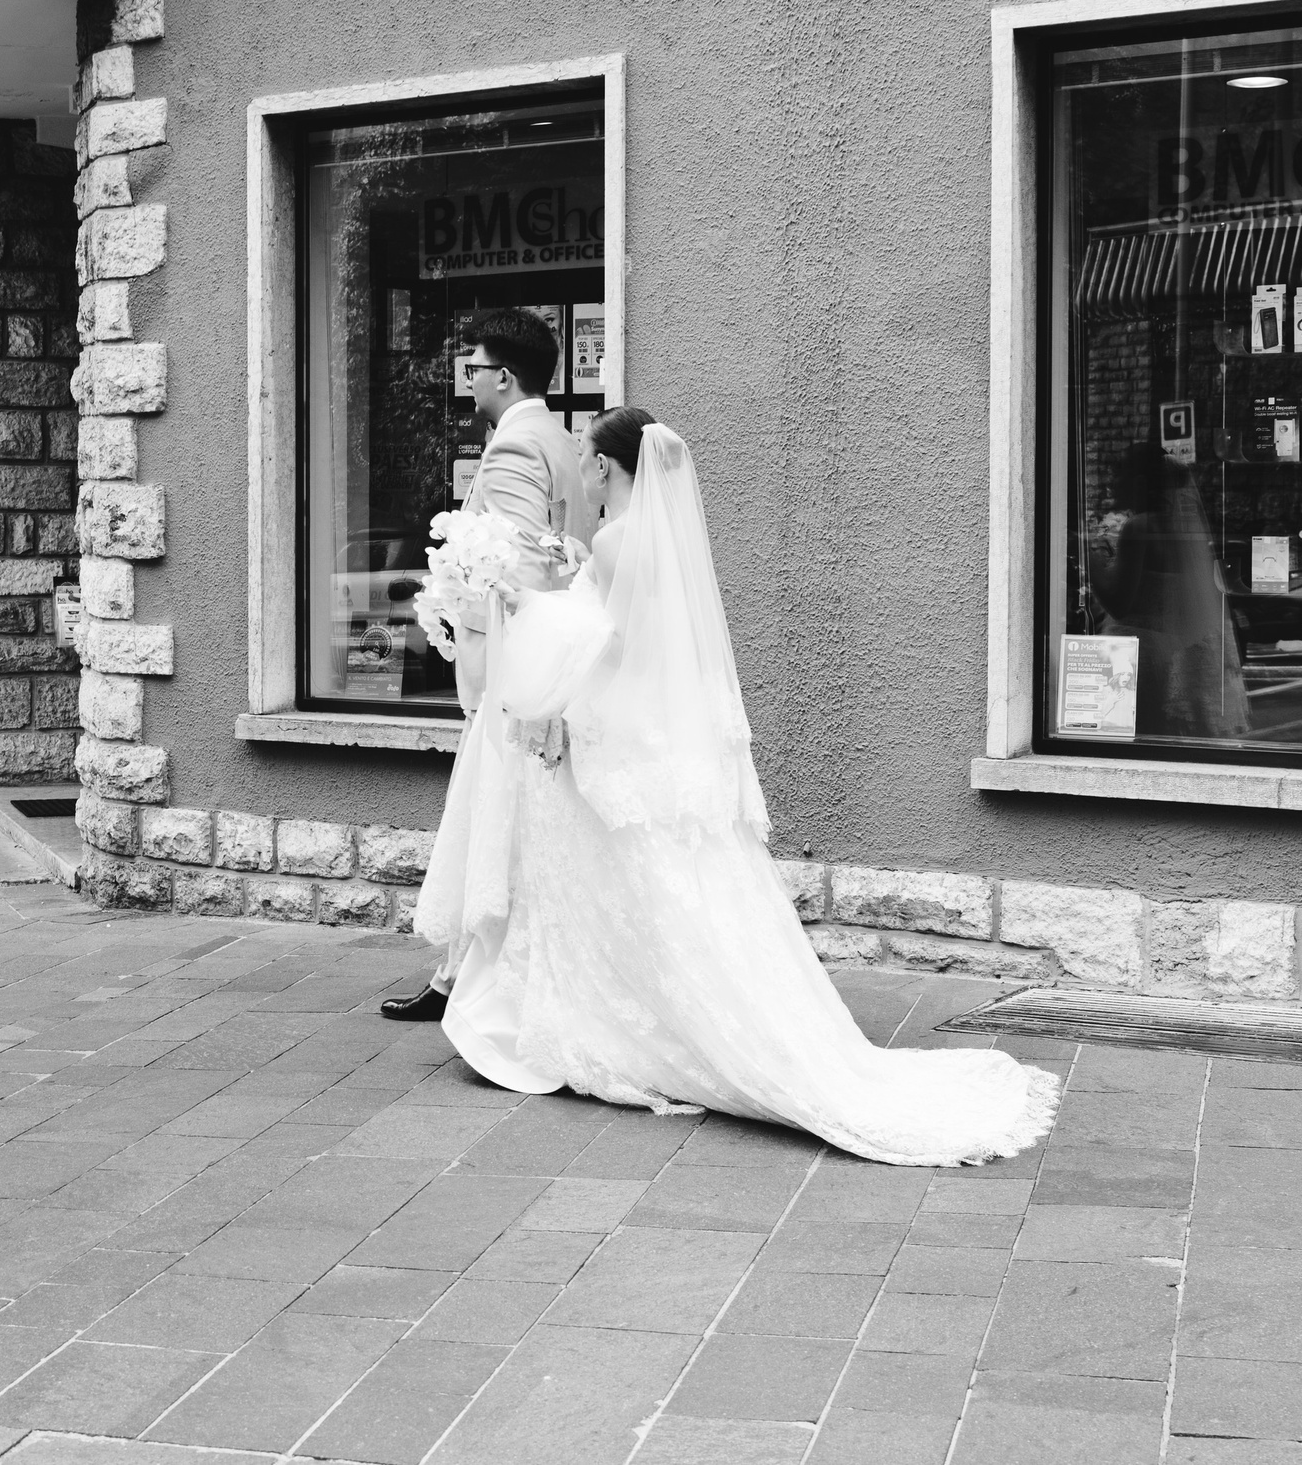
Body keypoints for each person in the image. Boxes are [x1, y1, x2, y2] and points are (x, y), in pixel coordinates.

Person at [414, 409, 1060, 1165]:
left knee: (624, 891)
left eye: (589, 455)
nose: (581, 466)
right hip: (645, 734)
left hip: (606, 732)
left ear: (611, 467)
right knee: (670, 892)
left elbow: (605, 647)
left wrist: (523, 608)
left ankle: (620, 1025)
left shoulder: (621, 542)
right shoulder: (640, 541)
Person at [381, 308, 588, 1024]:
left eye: (472, 367)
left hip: (510, 672)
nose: (466, 381)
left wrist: (459, 595)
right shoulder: (561, 440)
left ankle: (470, 980)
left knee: (494, 826)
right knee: (509, 829)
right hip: (544, 667)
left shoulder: (512, 449)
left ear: (502, 375)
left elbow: (520, 562)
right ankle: (464, 972)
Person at [1089, 443, 1248, 739]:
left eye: (1120, 476)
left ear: (1139, 481)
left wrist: (1091, 559)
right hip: (1171, 654)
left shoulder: (1139, 527)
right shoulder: (1179, 529)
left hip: (1136, 657)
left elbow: (1119, 603)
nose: (1114, 484)